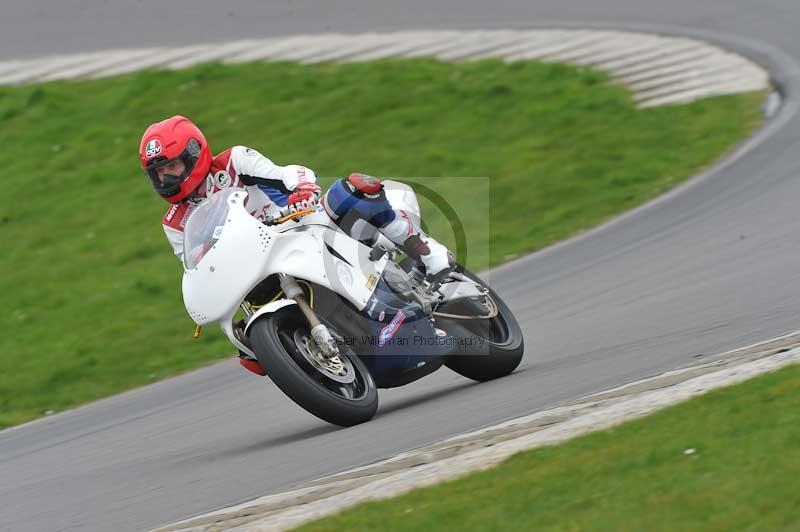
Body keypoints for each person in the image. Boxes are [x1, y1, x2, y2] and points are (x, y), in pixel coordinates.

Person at [139, 115, 451, 278]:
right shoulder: (175, 223)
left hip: (302, 226)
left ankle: (427, 252)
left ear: (194, 153)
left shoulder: (235, 161)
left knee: (352, 190)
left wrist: (303, 190)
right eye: (159, 173)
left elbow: (287, 173)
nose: (167, 178)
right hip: (255, 266)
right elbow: (193, 267)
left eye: (172, 166)